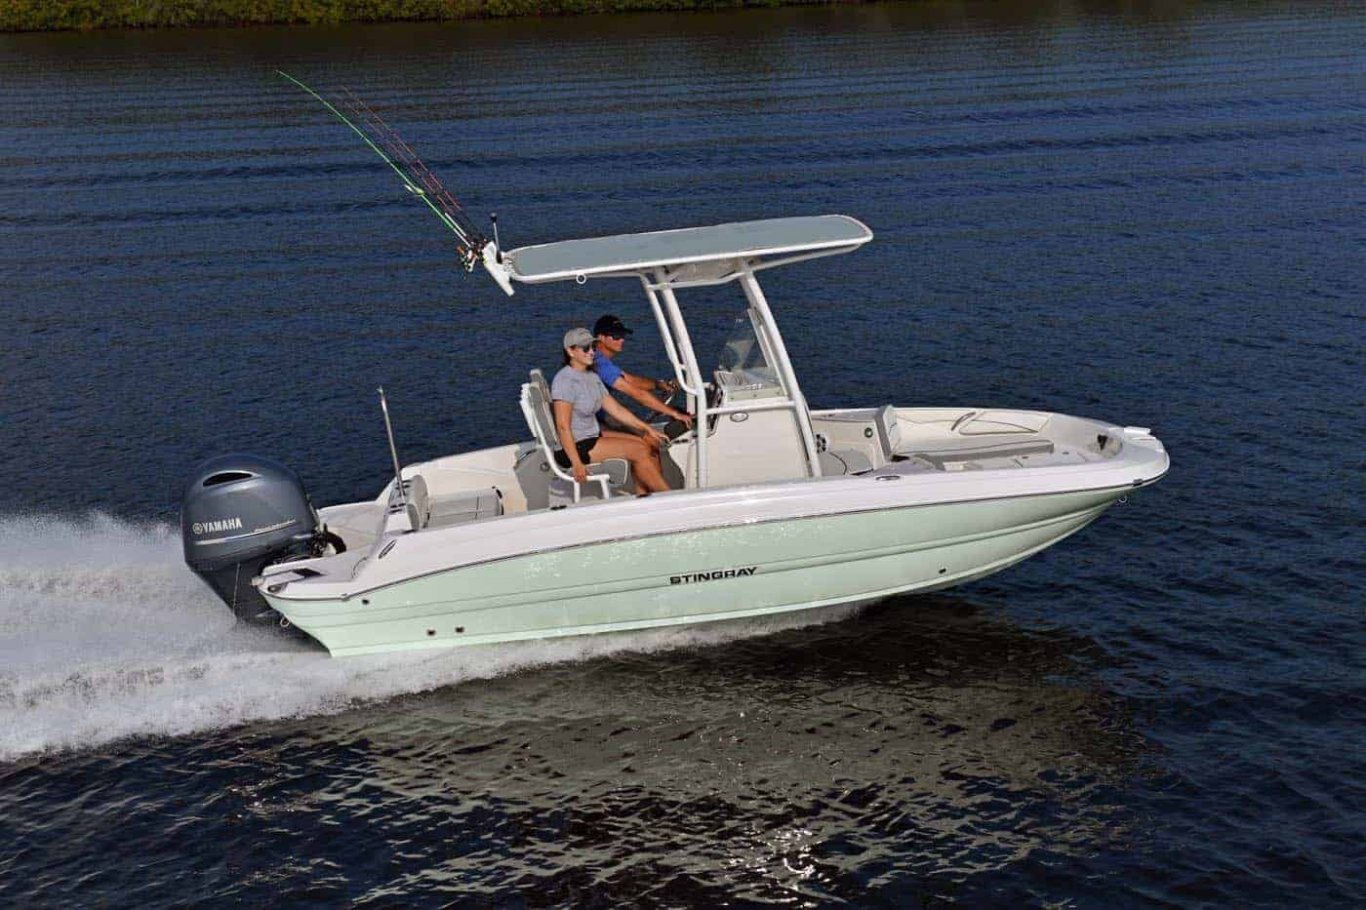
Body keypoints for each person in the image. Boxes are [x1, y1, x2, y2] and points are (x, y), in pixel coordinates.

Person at [551, 327, 671, 496]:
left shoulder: (591, 377)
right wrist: (576, 463)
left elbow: (616, 409)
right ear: (570, 351)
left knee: (648, 442)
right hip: (573, 447)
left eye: (593, 347)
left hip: (591, 436)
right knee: (638, 450)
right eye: (585, 348)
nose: (591, 352)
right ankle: (668, 497)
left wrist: (647, 429)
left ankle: (644, 498)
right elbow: (563, 426)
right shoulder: (564, 381)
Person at [591, 314, 693, 431]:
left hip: (598, 416)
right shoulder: (600, 363)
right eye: (616, 335)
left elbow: (631, 380)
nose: (622, 339)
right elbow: (636, 393)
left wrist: (658, 385)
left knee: (639, 428)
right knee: (648, 439)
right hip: (591, 422)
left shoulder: (597, 358)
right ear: (601, 337)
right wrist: (674, 413)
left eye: (622, 335)